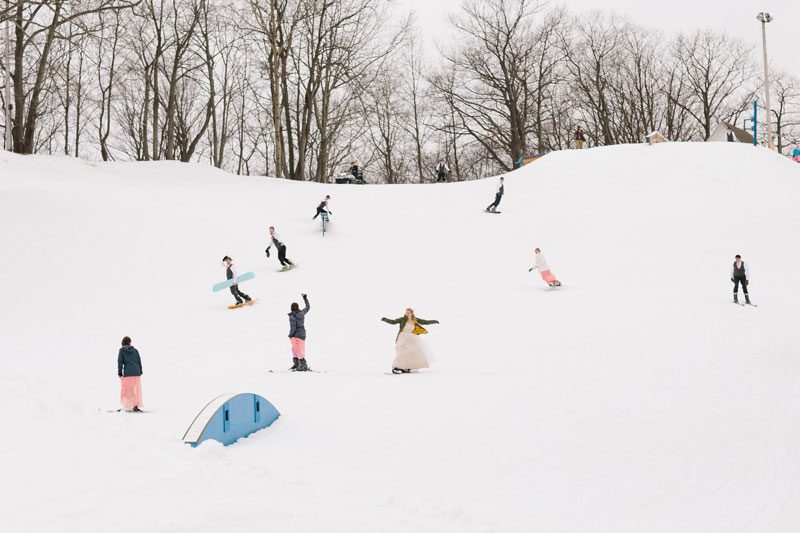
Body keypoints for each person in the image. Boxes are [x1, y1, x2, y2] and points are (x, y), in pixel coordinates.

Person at [381, 309, 439, 374]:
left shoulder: (415, 320)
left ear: (411, 313)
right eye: (406, 313)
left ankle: (406, 367)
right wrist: (385, 319)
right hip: (402, 337)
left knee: (411, 353)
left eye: (408, 313)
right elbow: (393, 322)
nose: (407, 314)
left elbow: (424, 322)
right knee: (402, 352)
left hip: (411, 338)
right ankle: (395, 367)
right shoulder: (402, 319)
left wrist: (434, 321)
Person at [118, 336, 143, 412]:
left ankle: (127, 405)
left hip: (128, 373)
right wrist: (140, 370)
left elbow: (120, 362)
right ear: (130, 342)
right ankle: (135, 405)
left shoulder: (122, 351)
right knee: (135, 390)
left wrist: (120, 372)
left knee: (126, 390)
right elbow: (139, 361)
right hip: (136, 372)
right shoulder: (135, 351)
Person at [287, 294, 311, 371]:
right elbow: (308, 307)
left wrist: (290, 335)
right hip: (302, 334)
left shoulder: (292, 317)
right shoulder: (302, 313)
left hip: (295, 335)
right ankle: (297, 364)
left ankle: (302, 364)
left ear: (291, 308)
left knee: (296, 349)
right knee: (298, 349)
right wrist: (305, 298)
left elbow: (293, 328)